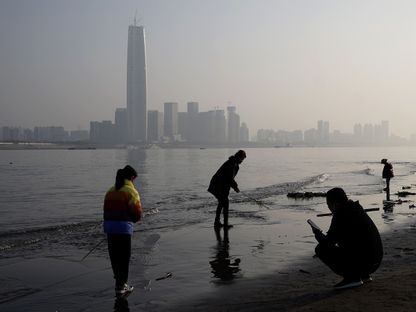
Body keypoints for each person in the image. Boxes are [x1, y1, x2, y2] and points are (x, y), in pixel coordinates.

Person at [311, 187, 383, 290]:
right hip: (375, 262)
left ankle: (352, 278)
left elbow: (328, 242)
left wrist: (317, 233)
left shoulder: (341, 214)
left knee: (321, 249)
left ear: (335, 204)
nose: (329, 208)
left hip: (365, 262)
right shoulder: (356, 208)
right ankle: (363, 276)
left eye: (328, 205)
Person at [103, 165, 143, 297]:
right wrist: (132, 219)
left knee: (114, 257)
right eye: (134, 180)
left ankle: (118, 284)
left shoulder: (110, 191)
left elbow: (106, 213)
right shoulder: (131, 192)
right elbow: (137, 214)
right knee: (124, 257)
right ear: (132, 178)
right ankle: (122, 286)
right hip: (124, 229)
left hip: (110, 229)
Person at [208, 150, 246, 228]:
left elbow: (229, 179)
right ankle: (223, 223)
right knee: (224, 202)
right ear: (239, 157)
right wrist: (235, 187)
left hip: (222, 185)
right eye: (242, 159)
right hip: (217, 185)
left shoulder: (235, 164)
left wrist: (234, 187)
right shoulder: (231, 163)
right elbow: (229, 177)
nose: (242, 161)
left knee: (222, 202)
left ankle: (218, 221)